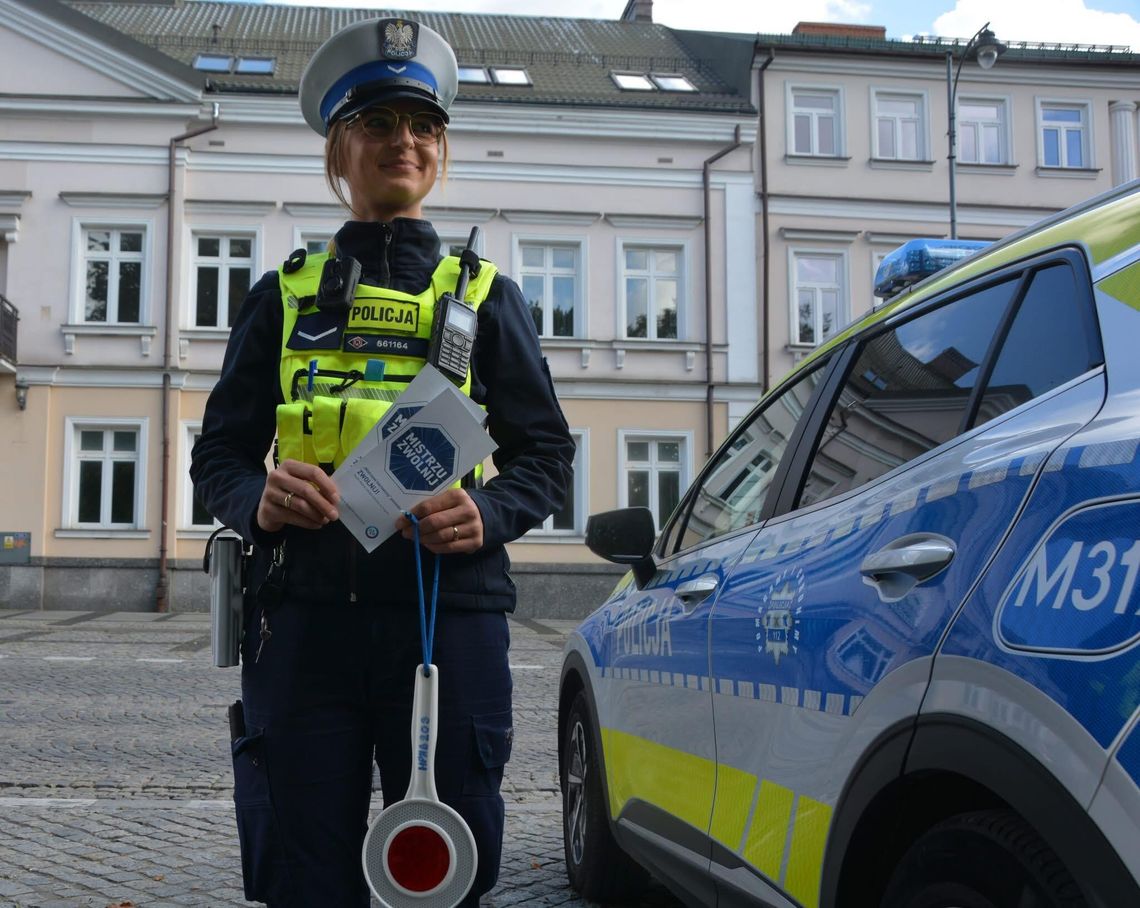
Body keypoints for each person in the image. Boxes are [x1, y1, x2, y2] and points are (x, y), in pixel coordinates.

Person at [190, 17, 574, 907]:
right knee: (306, 873)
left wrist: (492, 513)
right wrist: (257, 497)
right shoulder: (280, 295)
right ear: (340, 148)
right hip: (302, 628)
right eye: (378, 123)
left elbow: (544, 455)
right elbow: (219, 452)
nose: (404, 140)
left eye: (423, 126)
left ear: (438, 152)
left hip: (450, 626)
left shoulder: (486, 297)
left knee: (440, 878)